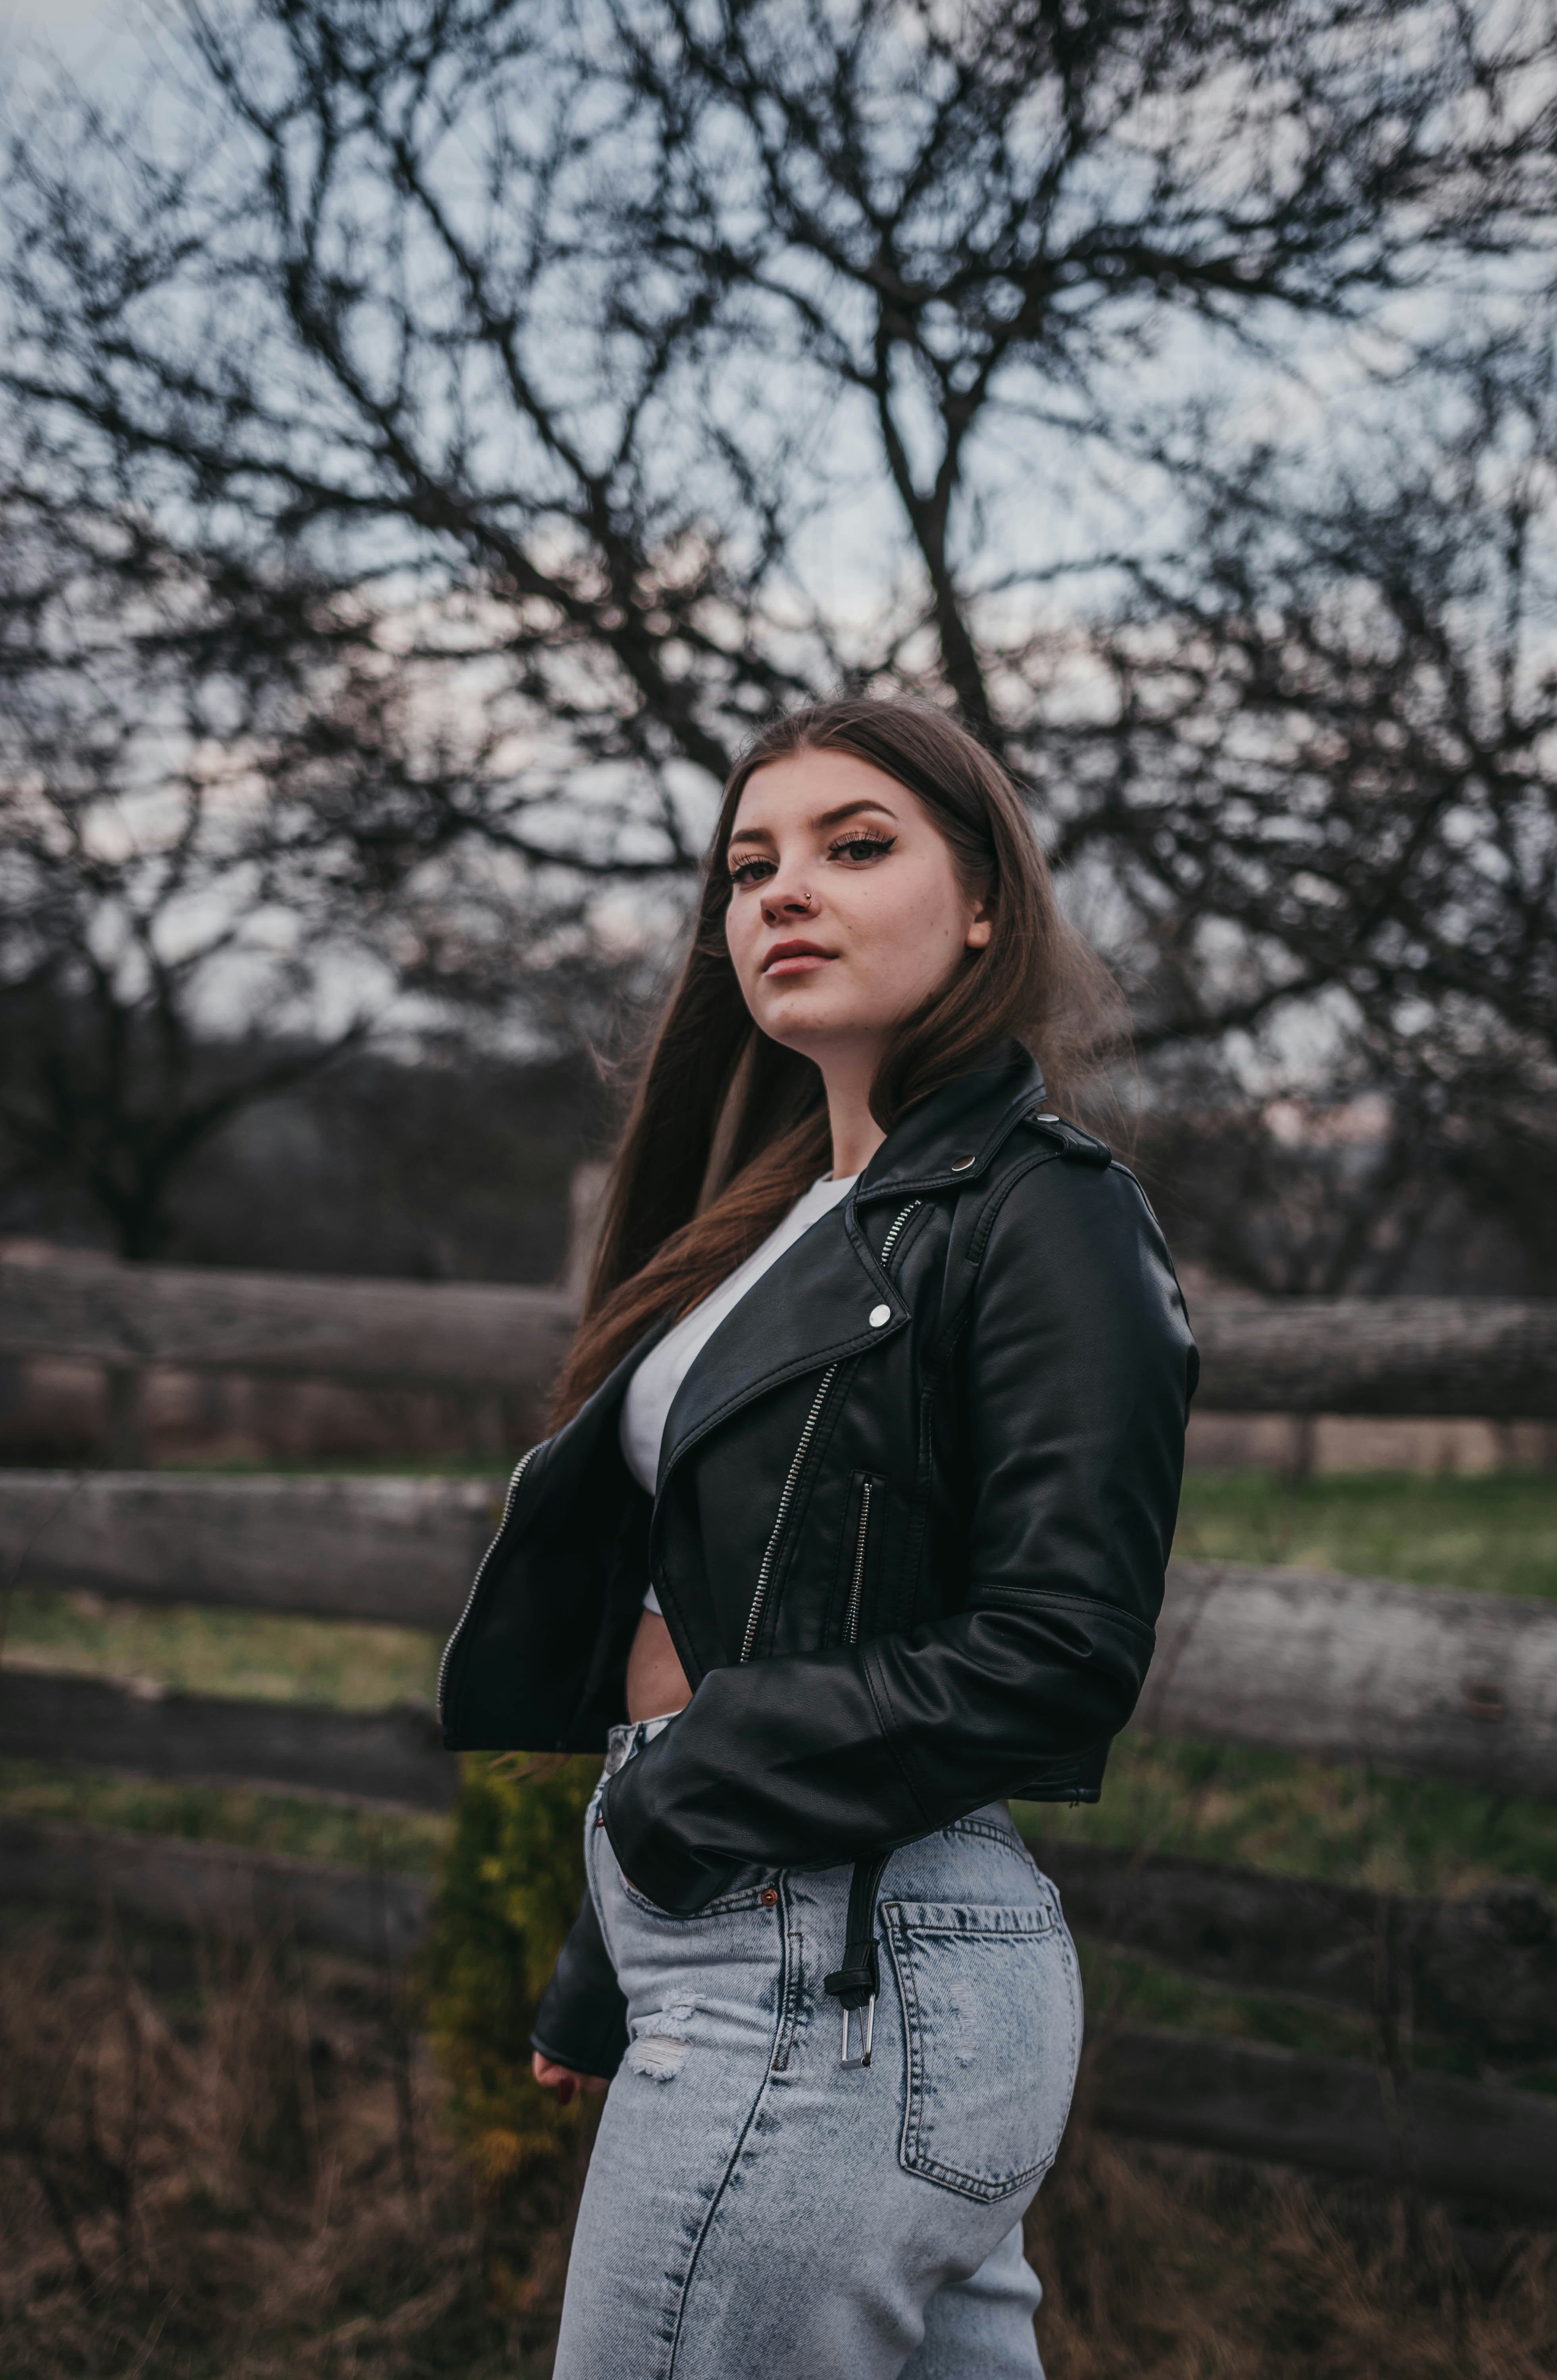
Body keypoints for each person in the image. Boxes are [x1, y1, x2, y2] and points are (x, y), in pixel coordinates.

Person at [438, 697, 1197, 2378]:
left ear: (985, 900)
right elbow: (724, 1609)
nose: (784, 891)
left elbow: (1057, 1653)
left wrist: (671, 1804)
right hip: (779, 1946)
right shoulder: (774, 1226)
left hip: (840, 1969)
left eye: (858, 847)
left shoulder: (1042, 1207)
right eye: (751, 864)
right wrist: (605, 1950)